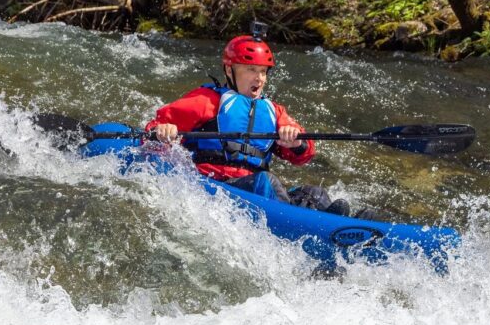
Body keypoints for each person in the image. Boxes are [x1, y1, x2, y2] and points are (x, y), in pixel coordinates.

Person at [146, 25, 350, 216]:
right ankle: (307, 224)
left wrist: (296, 143)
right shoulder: (207, 101)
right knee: (265, 182)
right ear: (229, 70)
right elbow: (155, 128)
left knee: (315, 194)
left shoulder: (274, 111)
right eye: (251, 70)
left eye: (263, 71)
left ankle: (348, 226)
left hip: (259, 190)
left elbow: (304, 155)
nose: (259, 78)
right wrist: (163, 131)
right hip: (217, 185)